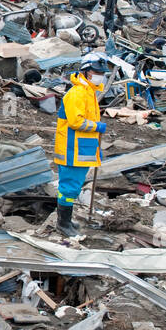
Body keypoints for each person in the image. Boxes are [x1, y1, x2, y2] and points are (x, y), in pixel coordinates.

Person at [53, 56, 109, 236]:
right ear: (85, 72)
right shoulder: (77, 93)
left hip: (81, 148)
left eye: (102, 73)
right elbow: (76, 122)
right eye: (96, 72)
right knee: (69, 188)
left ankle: (66, 221)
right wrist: (97, 127)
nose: (99, 76)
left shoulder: (89, 92)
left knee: (73, 187)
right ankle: (63, 224)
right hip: (72, 148)